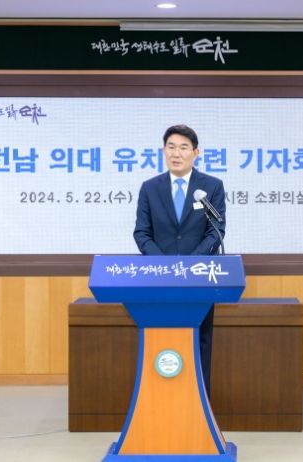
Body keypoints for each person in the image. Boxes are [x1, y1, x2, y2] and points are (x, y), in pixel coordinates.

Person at [133, 124, 226, 397]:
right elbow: (141, 233)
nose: (177, 153)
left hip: (198, 278)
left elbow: (216, 230)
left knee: (200, 341)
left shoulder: (211, 187)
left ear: (196, 153)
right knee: (160, 339)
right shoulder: (150, 188)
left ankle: (200, 403)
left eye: (184, 147)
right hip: (158, 280)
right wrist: (165, 266)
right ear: (163, 151)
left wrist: (188, 265)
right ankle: (160, 401)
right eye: (171, 147)